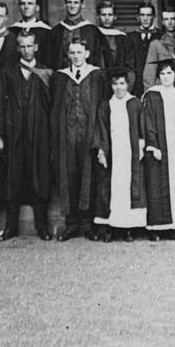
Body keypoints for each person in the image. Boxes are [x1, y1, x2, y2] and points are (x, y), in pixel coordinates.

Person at [0, 31, 53, 241]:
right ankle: (11, 227)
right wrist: (0, 134)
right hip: (14, 135)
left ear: (36, 47)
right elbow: (0, 105)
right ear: (18, 48)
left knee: (40, 177)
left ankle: (42, 226)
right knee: (13, 178)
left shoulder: (46, 73)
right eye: (22, 46)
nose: (26, 50)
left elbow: (52, 107)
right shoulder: (8, 73)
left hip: (40, 134)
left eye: (30, 46)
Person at [50, 39, 106, 241]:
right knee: (68, 177)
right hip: (66, 137)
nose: (76, 56)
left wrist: (99, 139)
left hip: (89, 135)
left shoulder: (97, 76)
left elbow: (101, 108)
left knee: (88, 177)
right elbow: (54, 110)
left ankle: (87, 224)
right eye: (72, 53)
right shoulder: (60, 77)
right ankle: (71, 224)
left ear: (87, 53)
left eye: (79, 52)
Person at [142, 58, 175, 240]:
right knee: (157, 185)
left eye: (169, 73)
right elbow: (147, 122)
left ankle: (172, 226)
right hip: (159, 147)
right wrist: (153, 145)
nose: (166, 77)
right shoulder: (151, 95)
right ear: (158, 76)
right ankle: (155, 228)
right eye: (163, 74)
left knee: (174, 185)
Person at [92, 68, 146, 242]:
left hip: (130, 152)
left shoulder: (135, 103)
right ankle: (113, 229)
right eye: (115, 84)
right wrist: (101, 150)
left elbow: (142, 127)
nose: (118, 88)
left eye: (122, 83)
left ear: (128, 85)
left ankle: (129, 229)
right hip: (113, 152)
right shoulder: (106, 105)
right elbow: (101, 129)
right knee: (113, 189)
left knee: (129, 189)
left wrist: (142, 144)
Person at [48, 0, 107, 70]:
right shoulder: (56, 32)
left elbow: (99, 61)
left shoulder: (93, 32)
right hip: (61, 79)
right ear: (65, 4)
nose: (72, 6)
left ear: (82, 4)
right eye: (69, 2)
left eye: (76, 3)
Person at [96, 1, 135, 85]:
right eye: (103, 15)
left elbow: (129, 65)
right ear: (98, 17)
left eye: (110, 15)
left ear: (115, 17)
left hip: (119, 84)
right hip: (97, 83)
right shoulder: (93, 36)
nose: (107, 18)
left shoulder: (123, 38)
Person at [10, 0, 52, 68]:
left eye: (30, 3)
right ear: (19, 7)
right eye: (23, 3)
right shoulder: (12, 31)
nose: (26, 7)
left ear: (37, 7)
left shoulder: (46, 31)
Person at [129, 2, 162, 97]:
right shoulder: (130, 38)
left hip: (156, 85)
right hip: (135, 87)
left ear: (154, 17)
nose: (145, 18)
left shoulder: (161, 37)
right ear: (137, 17)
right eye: (142, 15)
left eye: (149, 15)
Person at [143, 8, 175, 91]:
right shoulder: (156, 44)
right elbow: (149, 74)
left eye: (173, 19)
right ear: (162, 22)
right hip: (163, 89)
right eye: (166, 19)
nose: (170, 22)